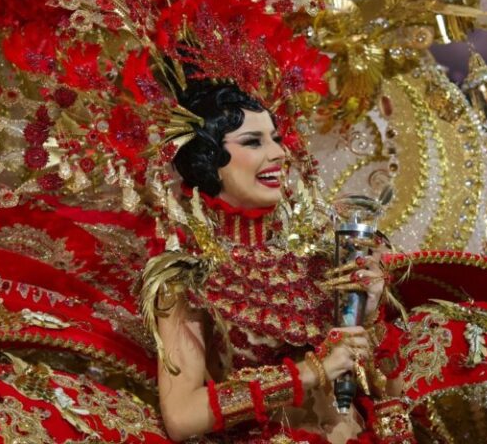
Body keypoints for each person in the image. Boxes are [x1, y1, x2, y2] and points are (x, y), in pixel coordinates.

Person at [145, 79, 397, 443]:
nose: (279, 154)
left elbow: (379, 390)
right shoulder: (188, 279)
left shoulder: (323, 257)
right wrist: (311, 371)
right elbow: (182, 416)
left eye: (276, 138)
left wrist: (369, 315)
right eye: (253, 141)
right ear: (208, 160)